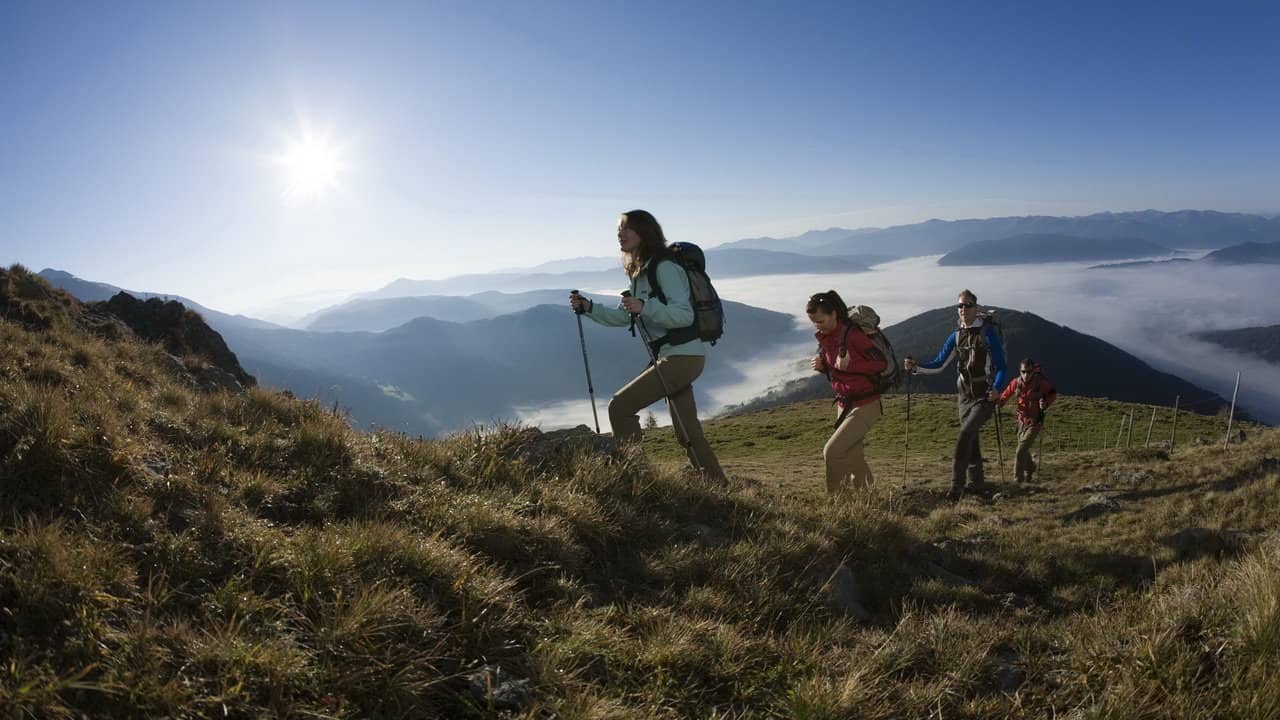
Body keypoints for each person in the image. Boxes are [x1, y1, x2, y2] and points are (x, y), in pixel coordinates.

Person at [568, 210, 726, 481]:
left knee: (620, 408)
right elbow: (624, 316)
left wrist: (645, 306)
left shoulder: (664, 268)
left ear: (644, 231)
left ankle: (637, 479)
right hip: (672, 355)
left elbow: (683, 315)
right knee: (686, 430)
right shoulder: (641, 272)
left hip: (682, 356)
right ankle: (718, 485)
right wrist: (590, 308)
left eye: (626, 228)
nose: (620, 233)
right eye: (618, 229)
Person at [903, 289, 1008, 501]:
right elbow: (939, 364)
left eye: (967, 305)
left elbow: (1003, 366)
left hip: (984, 395)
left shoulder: (987, 334)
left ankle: (956, 489)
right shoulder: (956, 336)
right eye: (959, 306)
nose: (963, 309)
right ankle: (977, 484)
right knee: (972, 439)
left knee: (964, 435)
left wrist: (997, 389)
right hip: (964, 395)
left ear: (975, 308)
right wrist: (916, 368)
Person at [808, 291, 888, 495]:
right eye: (814, 322)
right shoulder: (827, 337)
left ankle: (838, 506)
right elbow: (837, 367)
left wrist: (850, 365)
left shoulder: (852, 335)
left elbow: (880, 363)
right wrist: (824, 365)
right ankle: (870, 502)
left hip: (865, 404)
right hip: (844, 404)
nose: (818, 325)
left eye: (821, 320)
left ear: (834, 314)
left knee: (832, 452)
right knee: (853, 457)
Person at [998, 358, 1057, 483]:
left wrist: (1045, 404)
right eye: (1023, 371)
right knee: (1024, 450)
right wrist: (999, 403)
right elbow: (1006, 394)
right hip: (1021, 421)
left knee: (1020, 450)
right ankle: (1030, 468)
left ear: (1033, 371)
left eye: (1028, 372)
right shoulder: (1016, 382)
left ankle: (1018, 480)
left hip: (1035, 422)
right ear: (1020, 371)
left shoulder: (1041, 383)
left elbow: (1052, 393)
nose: (1026, 375)